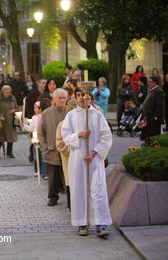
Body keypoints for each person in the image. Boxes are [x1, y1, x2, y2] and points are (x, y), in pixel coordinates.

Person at [61, 87, 113, 237]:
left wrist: (94, 152)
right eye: (78, 95)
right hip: (77, 159)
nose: (82, 98)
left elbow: (106, 137)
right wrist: (79, 134)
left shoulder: (97, 115)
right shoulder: (71, 116)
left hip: (95, 159)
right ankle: (82, 223)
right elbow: (66, 136)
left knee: (98, 190)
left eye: (84, 95)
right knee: (79, 190)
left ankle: (101, 224)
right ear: (75, 97)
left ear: (89, 96)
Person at [38, 88, 68, 207]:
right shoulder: (46, 113)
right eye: (59, 98)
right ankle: (53, 197)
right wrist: (44, 148)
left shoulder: (70, 112)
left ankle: (70, 199)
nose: (62, 100)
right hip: (51, 150)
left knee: (68, 176)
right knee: (53, 176)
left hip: (67, 150)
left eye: (64, 98)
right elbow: (40, 133)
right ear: (54, 100)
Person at [20, 100, 50, 179]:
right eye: (34, 108)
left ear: (40, 109)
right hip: (35, 139)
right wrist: (24, 126)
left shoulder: (44, 117)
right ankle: (37, 170)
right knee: (36, 156)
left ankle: (45, 172)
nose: (34, 109)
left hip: (42, 139)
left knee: (43, 156)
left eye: (36, 108)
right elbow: (32, 128)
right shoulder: (34, 118)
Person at [0, 86, 19, 158]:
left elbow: (17, 107)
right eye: (6, 93)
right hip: (2, 121)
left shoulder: (12, 98)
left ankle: (9, 153)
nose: (8, 94)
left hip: (10, 121)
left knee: (11, 138)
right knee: (1, 138)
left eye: (9, 92)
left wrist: (14, 110)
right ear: (2, 92)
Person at [140, 76, 166, 141]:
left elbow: (160, 106)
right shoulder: (150, 90)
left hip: (154, 120)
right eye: (148, 82)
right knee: (147, 136)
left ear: (155, 83)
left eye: (150, 82)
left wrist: (155, 117)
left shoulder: (159, 91)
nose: (148, 83)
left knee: (154, 138)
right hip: (147, 118)